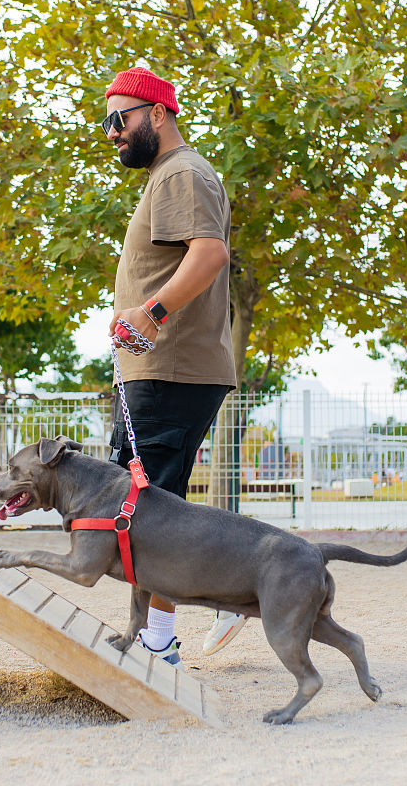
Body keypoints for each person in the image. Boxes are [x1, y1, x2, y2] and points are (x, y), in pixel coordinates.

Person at [101, 66, 247, 667]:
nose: (111, 132)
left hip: (171, 370)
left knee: (148, 512)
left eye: (120, 118)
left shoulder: (183, 173)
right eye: (106, 122)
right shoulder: (168, 176)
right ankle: (164, 625)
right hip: (158, 369)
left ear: (156, 113)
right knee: (145, 506)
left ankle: (161, 639)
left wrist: (153, 312)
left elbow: (209, 254)